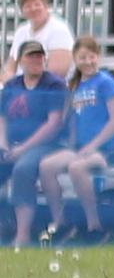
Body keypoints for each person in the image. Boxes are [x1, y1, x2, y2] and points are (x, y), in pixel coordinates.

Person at [36, 37, 114, 240]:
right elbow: (75, 120)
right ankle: (60, 222)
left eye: (91, 56)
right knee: (46, 166)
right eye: (82, 57)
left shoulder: (106, 83)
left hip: (110, 148)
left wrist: (93, 146)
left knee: (77, 168)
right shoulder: (75, 85)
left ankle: (94, 225)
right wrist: (73, 145)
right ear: (75, 59)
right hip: (83, 147)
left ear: (98, 57)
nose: (87, 61)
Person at [3, 41, 71, 245]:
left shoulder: (54, 85)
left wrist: (23, 148)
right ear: (21, 60)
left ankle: (22, 234)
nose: (36, 60)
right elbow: (2, 118)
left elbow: (54, 123)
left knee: (23, 169)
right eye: (31, 56)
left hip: (47, 145)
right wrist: (4, 144)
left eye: (40, 56)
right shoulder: (12, 85)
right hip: (12, 143)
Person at [5, 0, 74, 65]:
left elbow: (58, 71)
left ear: (46, 6)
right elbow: (11, 66)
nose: (33, 9)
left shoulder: (59, 30)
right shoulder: (21, 31)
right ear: (22, 11)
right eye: (28, 6)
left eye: (37, 4)